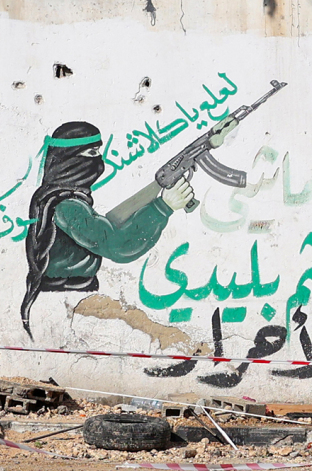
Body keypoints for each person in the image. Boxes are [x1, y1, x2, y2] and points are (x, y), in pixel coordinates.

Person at [21, 121, 194, 338]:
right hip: (68, 300)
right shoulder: (66, 206)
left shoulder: (51, 196)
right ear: (70, 159)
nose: (99, 161)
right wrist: (162, 208)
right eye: (92, 152)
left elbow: (105, 228)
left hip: (70, 299)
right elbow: (118, 246)